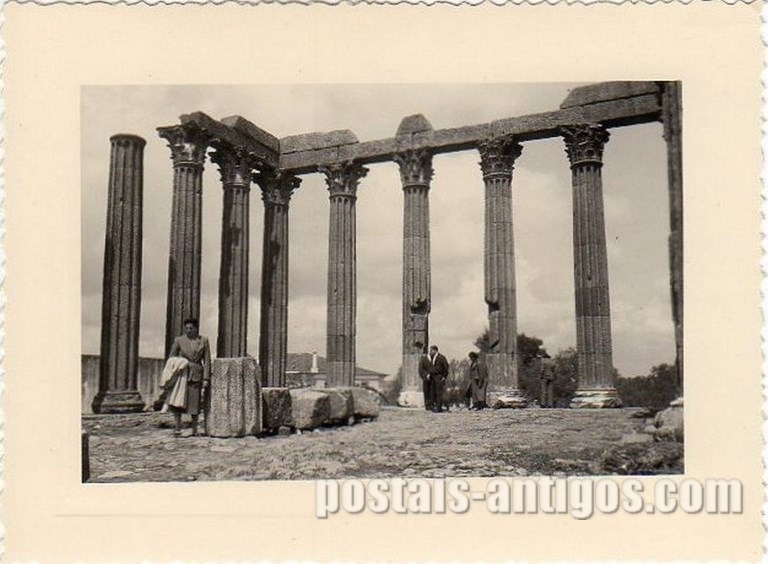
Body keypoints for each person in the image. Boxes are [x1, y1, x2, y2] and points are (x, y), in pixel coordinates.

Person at [165, 318, 211, 437]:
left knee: (195, 404)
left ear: (196, 329)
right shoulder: (179, 340)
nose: (188, 331)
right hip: (182, 375)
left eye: (191, 328)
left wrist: (206, 378)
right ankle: (177, 428)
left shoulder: (204, 341)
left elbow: (207, 361)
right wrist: (180, 365)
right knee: (178, 402)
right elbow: (171, 358)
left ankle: (195, 430)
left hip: (196, 375)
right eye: (186, 328)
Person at [419, 345, 450, 413]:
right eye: (430, 350)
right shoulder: (428, 358)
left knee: (439, 392)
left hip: (439, 376)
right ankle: (433, 406)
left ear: (435, 350)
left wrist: (444, 376)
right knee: (433, 392)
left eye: (431, 350)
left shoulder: (441, 357)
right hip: (432, 377)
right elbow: (422, 369)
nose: (430, 352)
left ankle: (439, 407)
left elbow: (446, 367)